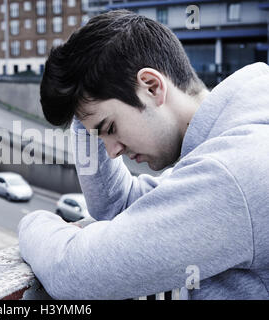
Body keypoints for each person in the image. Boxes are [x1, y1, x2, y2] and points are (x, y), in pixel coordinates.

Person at [17, 10, 269, 300]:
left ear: (151, 86)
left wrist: (33, 223)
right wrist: (85, 113)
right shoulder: (228, 145)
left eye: (110, 128)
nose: (112, 151)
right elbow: (118, 204)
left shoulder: (232, 173)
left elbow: (73, 273)